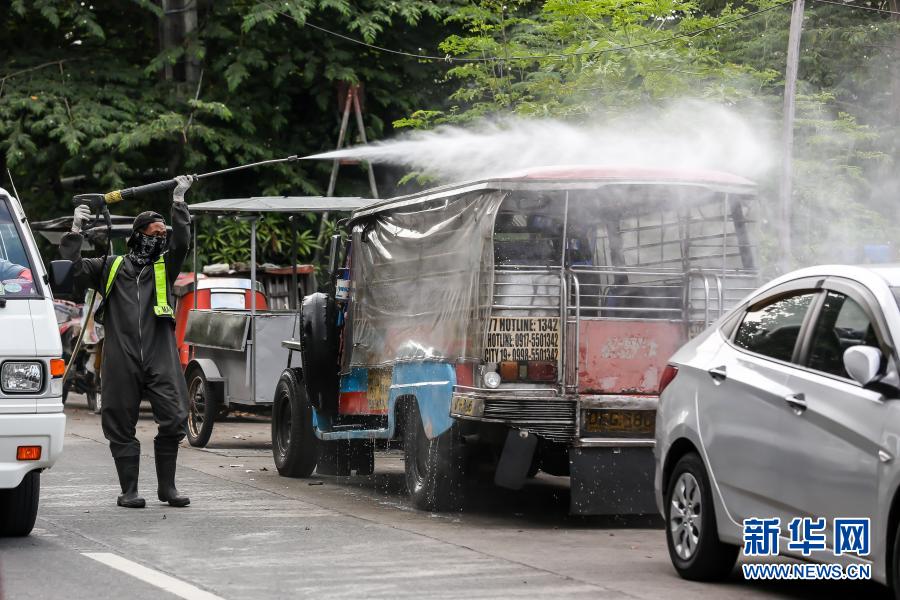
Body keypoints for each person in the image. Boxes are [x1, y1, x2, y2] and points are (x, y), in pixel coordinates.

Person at [60, 176, 193, 508]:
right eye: (154, 235)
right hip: (122, 354)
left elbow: (182, 245)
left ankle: (168, 488)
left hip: (160, 352)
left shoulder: (165, 266)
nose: (161, 240)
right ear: (137, 236)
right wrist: (75, 231)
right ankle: (129, 491)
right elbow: (72, 271)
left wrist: (178, 204)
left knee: (176, 416)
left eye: (164, 235)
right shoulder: (111, 267)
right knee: (119, 421)